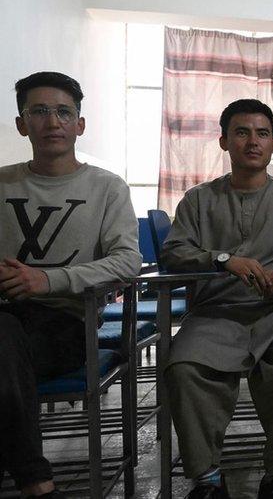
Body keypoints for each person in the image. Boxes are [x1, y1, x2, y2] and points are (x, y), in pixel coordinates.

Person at [161, 99, 273, 499]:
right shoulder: (198, 201)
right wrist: (223, 260)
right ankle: (206, 479)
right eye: (241, 132)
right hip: (213, 315)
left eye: (262, 133)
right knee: (183, 367)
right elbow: (173, 252)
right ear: (223, 141)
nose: (252, 141)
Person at [0, 72, 141, 498]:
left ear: (80, 124)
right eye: (39, 111)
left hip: (66, 324)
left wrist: (48, 280)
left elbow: (128, 260)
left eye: (64, 112)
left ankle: (33, 481)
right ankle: (36, 482)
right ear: (22, 124)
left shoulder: (106, 187)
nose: (53, 121)